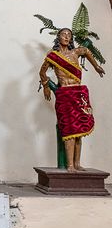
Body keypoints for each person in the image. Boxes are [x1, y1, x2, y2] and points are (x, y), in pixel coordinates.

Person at [39, 28, 105, 172]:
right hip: (65, 94)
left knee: (80, 129)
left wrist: (96, 67)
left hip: (79, 94)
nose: (67, 36)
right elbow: (42, 72)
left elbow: (86, 51)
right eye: (64, 34)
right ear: (58, 37)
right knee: (69, 129)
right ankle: (69, 165)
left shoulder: (75, 52)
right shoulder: (53, 56)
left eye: (69, 35)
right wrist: (45, 86)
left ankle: (77, 163)